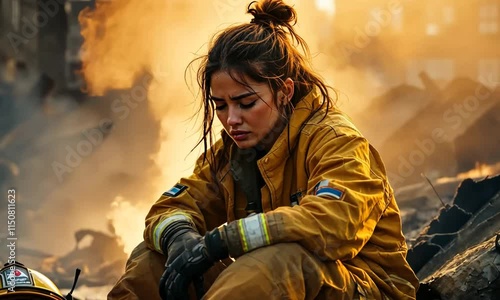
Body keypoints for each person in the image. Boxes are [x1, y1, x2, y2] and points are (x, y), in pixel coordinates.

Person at [108, 0, 419, 299]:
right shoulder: (229, 156)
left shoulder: (337, 141)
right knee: (153, 259)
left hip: (366, 288)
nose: (231, 120)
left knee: (276, 261)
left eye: (246, 103)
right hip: (272, 279)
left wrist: (223, 240)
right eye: (220, 106)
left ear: (284, 91)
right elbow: (170, 207)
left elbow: (335, 224)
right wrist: (180, 240)